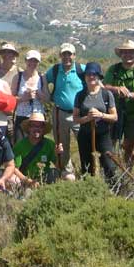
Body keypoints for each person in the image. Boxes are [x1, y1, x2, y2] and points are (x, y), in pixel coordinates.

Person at [103, 40, 134, 167]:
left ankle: (127, 173)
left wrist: (129, 94)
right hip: (114, 113)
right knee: (110, 143)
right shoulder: (113, 69)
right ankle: (109, 171)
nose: (128, 55)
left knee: (129, 146)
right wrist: (116, 89)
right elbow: (105, 86)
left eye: (131, 52)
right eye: (125, 52)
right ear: (121, 55)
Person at [45, 43, 85, 180]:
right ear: (60, 56)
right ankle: (66, 172)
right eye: (64, 54)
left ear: (74, 55)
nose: (67, 57)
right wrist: (46, 95)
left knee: (84, 142)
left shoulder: (81, 70)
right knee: (62, 144)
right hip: (59, 113)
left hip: (79, 115)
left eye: (70, 54)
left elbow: (95, 81)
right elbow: (43, 79)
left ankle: (87, 170)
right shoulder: (55, 70)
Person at [73, 62, 118, 182]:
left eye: (94, 74)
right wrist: (87, 118)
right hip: (85, 134)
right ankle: (89, 191)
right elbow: (75, 118)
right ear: (85, 77)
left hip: (103, 134)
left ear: (98, 76)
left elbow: (114, 117)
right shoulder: (80, 95)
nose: (91, 77)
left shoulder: (106, 94)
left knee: (109, 165)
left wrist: (101, 115)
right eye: (88, 74)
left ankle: (114, 192)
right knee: (87, 167)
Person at [12, 113, 62, 187]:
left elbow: (58, 166)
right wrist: (28, 181)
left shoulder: (50, 144)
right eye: (34, 126)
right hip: (26, 178)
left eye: (40, 126)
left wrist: (59, 154)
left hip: (44, 178)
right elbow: (14, 168)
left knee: (55, 172)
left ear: (43, 129)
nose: (37, 129)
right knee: (12, 179)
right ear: (29, 128)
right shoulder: (19, 145)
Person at [11, 49, 49, 143]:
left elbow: (47, 99)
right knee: (20, 145)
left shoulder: (42, 77)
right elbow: (11, 99)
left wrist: (39, 94)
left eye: (35, 61)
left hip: (38, 117)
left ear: (38, 62)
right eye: (30, 60)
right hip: (21, 117)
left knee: (37, 146)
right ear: (25, 61)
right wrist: (23, 98)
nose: (32, 63)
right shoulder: (18, 77)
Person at [0, 43, 21, 142]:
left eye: (11, 53)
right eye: (5, 53)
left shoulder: (20, 72)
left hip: (13, 115)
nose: (8, 56)